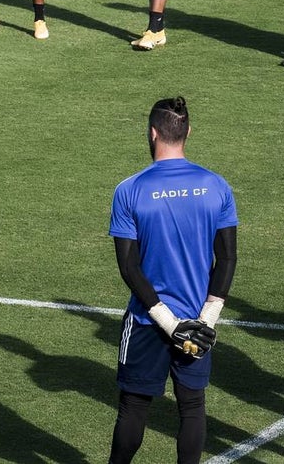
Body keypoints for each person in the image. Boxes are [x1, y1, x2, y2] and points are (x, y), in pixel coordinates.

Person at [108, 97, 238, 464]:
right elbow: (227, 257)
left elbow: (129, 266)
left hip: (147, 321)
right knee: (192, 408)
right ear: (188, 133)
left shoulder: (129, 190)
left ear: (152, 134)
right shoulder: (216, 186)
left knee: (133, 408)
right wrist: (205, 319)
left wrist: (166, 320)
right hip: (198, 321)